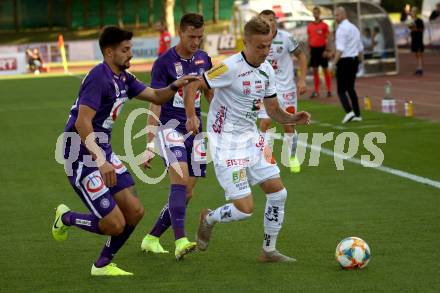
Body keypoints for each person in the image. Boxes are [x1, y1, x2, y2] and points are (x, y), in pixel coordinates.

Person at [52, 26, 196, 276]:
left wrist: (175, 85)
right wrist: (100, 159)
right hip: (80, 156)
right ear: (109, 52)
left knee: (135, 212)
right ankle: (66, 218)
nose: (131, 55)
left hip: (102, 152)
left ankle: (103, 264)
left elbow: (155, 96)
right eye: (125, 50)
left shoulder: (124, 78)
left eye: (131, 49)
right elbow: (82, 122)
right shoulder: (99, 77)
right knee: (114, 224)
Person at [184, 17, 311, 262]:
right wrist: (191, 116)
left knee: (279, 194)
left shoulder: (267, 71)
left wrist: (292, 118)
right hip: (226, 144)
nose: (266, 51)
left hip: (252, 140)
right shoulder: (228, 67)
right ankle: (209, 217)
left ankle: (268, 250)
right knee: (245, 210)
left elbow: (273, 110)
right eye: (260, 46)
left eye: (268, 46)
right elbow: (193, 87)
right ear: (246, 43)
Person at [140, 13, 213, 260]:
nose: (196, 42)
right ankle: (180, 240)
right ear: (180, 33)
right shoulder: (164, 62)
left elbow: (210, 94)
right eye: (191, 36)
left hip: (196, 131)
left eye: (200, 37)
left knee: (188, 193)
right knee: (179, 182)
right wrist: (150, 142)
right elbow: (155, 102)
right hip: (169, 128)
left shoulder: (204, 59)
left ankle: (151, 238)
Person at [257, 9, 307, 173]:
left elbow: (301, 57)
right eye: (265, 20)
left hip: (286, 89)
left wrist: (301, 80)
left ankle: (292, 157)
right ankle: (265, 157)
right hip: (265, 89)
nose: (269, 23)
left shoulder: (286, 38)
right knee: (265, 123)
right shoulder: (257, 40)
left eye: (271, 19)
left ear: (275, 21)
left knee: (289, 125)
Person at [333, 7, 363, 123]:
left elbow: (340, 49)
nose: (335, 18)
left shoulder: (341, 29)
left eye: (337, 15)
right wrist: (360, 62)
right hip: (354, 60)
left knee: (341, 90)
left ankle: (349, 112)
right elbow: (360, 48)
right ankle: (357, 114)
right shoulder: (354, 28)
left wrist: (333, 63)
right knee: (350, 88)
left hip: (344, 61)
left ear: (343, 14)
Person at [307, 6, 332, 98]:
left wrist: (327, 50)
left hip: (322, 49)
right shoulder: (310, 26)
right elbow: (309, 38)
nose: (315, 14)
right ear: (313, 14)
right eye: (314, 13)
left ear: (319, 14)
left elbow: (328, 38)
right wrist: (308, 51)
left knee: (325, 69)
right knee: (315, 70)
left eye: (317, 13)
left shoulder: (324, 25)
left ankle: (329, 90)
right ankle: (316, 91)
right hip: (314, 50)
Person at [409, 7, 425, 76]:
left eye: (412, 12)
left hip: (419, 38)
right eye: (411, 12)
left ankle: (420, 68)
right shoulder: (411, 21)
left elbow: (421, 29)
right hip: (414, 38)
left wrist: (415, 29)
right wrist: (411, 28)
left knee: (419, 53)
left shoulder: (419, 20)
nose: (411, 13)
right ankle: (418, 67)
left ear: (415, 13)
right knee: (416, 53)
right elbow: (410, 28)